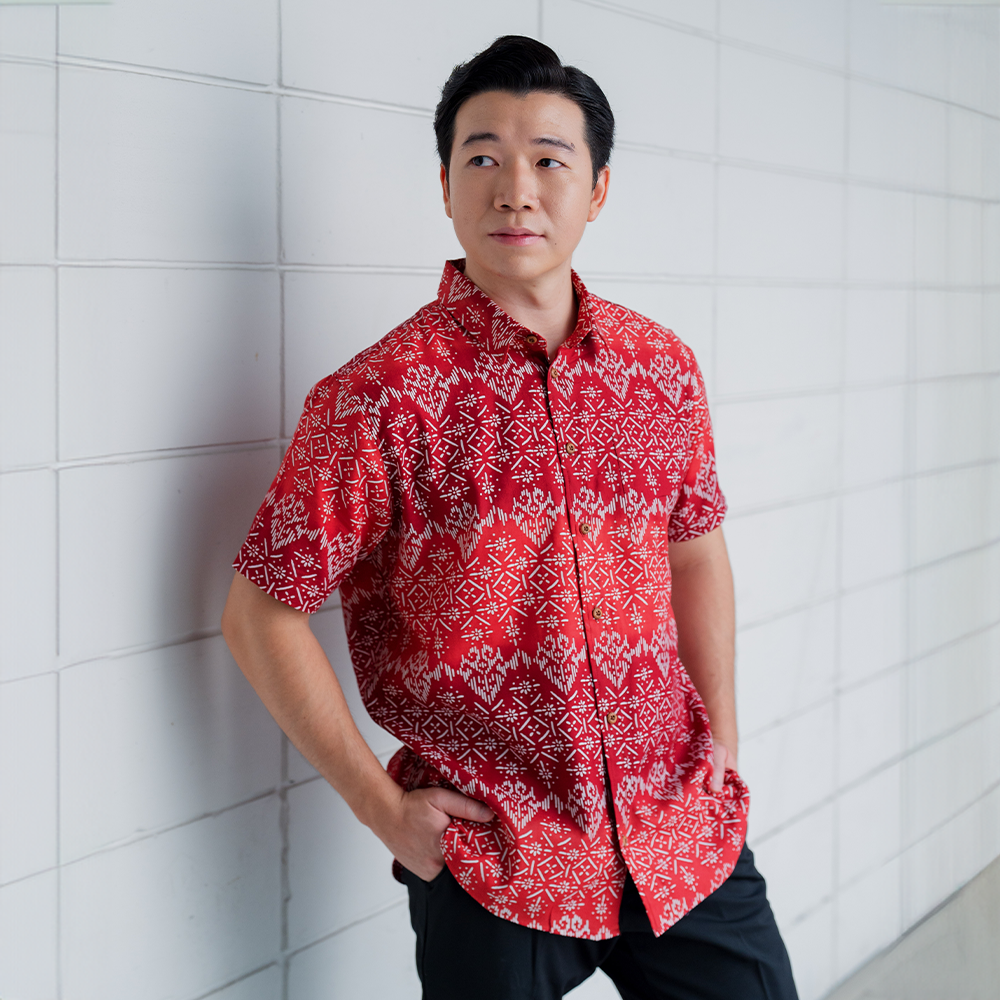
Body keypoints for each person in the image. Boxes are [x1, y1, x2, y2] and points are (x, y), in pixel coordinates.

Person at [222, 34, 798, 1000]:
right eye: (482, 157)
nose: (516, 189)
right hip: (497, 852)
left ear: (598, 190)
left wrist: (723, 742)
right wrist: (383, 809)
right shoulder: (377, 398)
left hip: (677, 824)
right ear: (445, 185)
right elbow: (259, 614)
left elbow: (694, 548)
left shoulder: (660, 369)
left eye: (549, 161)